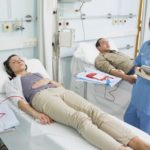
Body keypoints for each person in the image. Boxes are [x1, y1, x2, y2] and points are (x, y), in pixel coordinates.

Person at [3, 54, 150, 150]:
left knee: (96, 112)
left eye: (20, 59)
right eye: (14, 62)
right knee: (80, 119)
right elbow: (19, 101)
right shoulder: (12, 82)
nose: (19, 61)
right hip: (40, 97)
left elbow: (58, 85)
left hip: (61, 91)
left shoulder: (38, 73)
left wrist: (47, 80)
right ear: (10, 68)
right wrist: (35, 113)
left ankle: (136, 142)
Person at [124, 19, 150, 134]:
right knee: (128, 124)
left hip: (148, 105)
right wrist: (137, 70)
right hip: (137, 97)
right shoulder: (146, 45)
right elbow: (136, 64)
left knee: (145, 135)